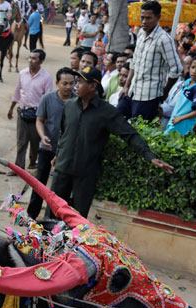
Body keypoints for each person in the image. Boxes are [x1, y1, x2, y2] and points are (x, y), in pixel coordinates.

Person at [47, 66, 174, 219]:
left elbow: (130, 134)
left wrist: (150, 157)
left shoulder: (107, 112)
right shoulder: (69, 106)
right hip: (62, 169)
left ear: (93, 86)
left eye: (80, 82)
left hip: (85, 174)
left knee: (77, 221)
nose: (76, 86)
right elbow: (64, 133)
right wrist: (58, 155)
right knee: (52, 214)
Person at [119, 1, 182, 122]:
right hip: (132, 90)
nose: (144, 21)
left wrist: (165, 93)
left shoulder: (164, 39)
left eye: (148, 18)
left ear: (158, 18)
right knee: (116, 119)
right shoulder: (141, 34)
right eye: (142, 17)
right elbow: (134, 62)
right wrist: (126, 86)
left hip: (149, 96)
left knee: (139, 131)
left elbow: (176, 69)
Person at [27, 67, 75, 218]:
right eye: (65, 83)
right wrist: (43, 136)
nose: (68, 87)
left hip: (66, 151)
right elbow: (39, 120)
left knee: (60, 186)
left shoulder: (77, 102)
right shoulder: (47, 99)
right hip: (47, 148)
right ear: (57, 83)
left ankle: (54, 218)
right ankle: (31, 214)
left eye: (71, 83)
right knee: (40, 182)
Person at [7, 49, 52, 174]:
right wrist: (11, 108)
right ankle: (18, 168)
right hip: (22, 112)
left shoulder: (46, 77)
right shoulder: (22, 73)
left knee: (35, 141)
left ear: (41, 61)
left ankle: (33, 162)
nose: (30, 61)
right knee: (21, 141)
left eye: (34, 58)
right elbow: (17, 92)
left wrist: (45, 116)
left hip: (37, 115)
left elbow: (47, 98)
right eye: (29, 58)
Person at [165, 52, 196, 136]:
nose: (194, 71)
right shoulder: (190, 80)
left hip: (181, 126)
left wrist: (181, 118)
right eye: (192, 67)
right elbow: (185, 67)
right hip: (175, 122)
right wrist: (177, 51)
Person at [157, 52, 192, 126]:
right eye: (184, 63)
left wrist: (161, 109)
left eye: (189, 64)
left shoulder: (191, 87)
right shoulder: (178, 83)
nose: (185, 67)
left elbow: (177, 109)